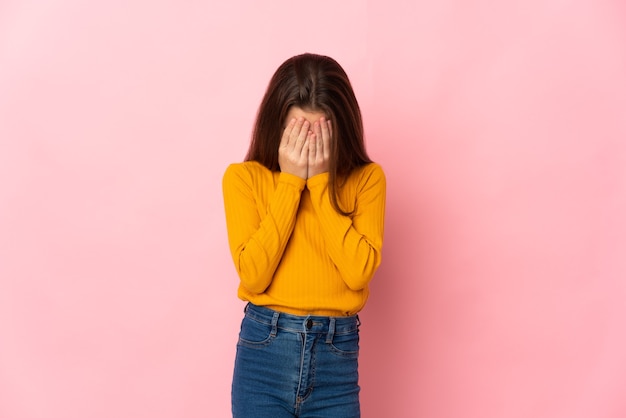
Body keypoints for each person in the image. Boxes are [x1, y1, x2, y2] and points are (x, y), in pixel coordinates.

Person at [222, 52, 386, 418]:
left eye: (320, 133)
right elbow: (254, 273)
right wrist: (292, 182)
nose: (308, 145)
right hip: (264, 354)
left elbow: (359, 272)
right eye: (298, 133)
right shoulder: (244, 179)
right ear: (276, 127)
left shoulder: (367, 180)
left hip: (336, 361)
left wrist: (320, 186)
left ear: (340, 128)